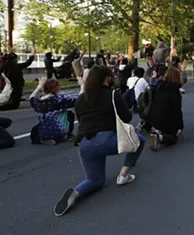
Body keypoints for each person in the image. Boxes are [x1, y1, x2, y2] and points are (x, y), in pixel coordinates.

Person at [54, 66, 146, 217]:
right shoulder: (112, 95)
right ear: (106, 78)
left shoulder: (81, 99)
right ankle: (124, 175)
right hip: (106, 139)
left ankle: (76, 193)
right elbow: (127, 118)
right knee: (139, 140)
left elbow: (82, 119)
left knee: (95, 180)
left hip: (84, 144)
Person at [144, 67, 184, 151]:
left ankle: (158, 131)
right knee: (173, 138)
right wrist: (180, 126)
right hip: (166, 119)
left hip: (153, 118)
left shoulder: (158, 86)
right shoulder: (175, 91)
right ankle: (160, 138)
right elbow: (177, 110)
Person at [29, 78, 77, 145]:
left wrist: (38, 87)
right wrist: (83, 85)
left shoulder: (38, 102)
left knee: (35, 130)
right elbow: (79, 98)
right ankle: (67, 134)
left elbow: (31, 97)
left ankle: (43, 138)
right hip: (59, 129)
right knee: (70, 114)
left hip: (45, 129)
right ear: (57, 88)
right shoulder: (59, 99)